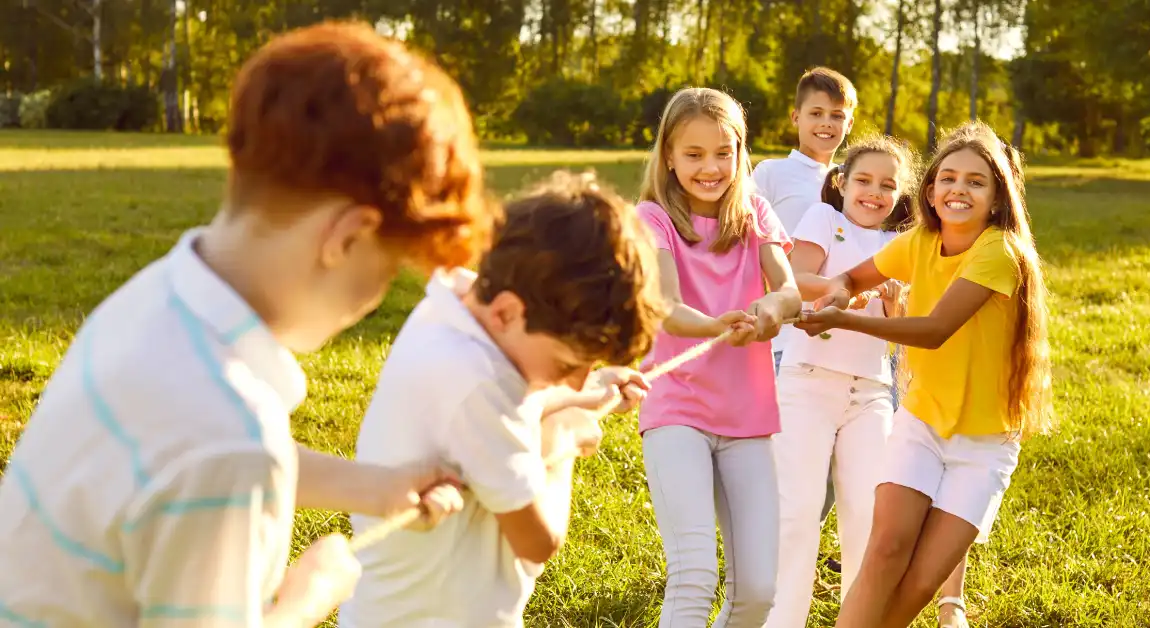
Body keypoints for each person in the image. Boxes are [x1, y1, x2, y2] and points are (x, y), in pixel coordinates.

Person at [0, 21, 491, 627]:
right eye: (388, 270)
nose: (377, 295)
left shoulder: (159, 298)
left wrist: (374, 488)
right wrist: (307, 599)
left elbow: (191, 453)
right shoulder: (230, 441)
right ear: (347, 236)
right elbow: (223, 454)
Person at [338, 171, 668, 627]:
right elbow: (539, 541)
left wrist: (584, 394)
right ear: (508, 312)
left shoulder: (452, 311)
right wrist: (566, 437)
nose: (574, 382)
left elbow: (518, 399)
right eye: (567, 363)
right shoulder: (479, 385)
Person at [794, 122, 1053, 628]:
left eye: (976, 181)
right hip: (921, 424)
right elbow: (852, 276)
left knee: (918, 582)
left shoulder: (999, 252)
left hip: (985, 444)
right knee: (885, 550)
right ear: (930, 191)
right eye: (949, 178)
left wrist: (840, 317)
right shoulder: (919, 242)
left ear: (998, 195)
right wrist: (843, 291)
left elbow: (935, 330)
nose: (959, 189)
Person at [636, 86, 803, 627]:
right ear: (668, 156)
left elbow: (789, 290)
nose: (710, 167)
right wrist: (715, 325)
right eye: (693, 154)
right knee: (694, 577)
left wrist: (771, 308)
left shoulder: (755, 213)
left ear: (740, 151)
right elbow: (663, 305)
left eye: (722, 153)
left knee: (756, 590)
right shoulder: (652, 217)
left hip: (747, 415)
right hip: (677, 409)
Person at [765, 134, 917, 628]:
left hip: (871, 394)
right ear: (842, 182)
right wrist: (841, 288)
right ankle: (783, 620)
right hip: (806, 381)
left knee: (867, 519)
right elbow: (795, 279)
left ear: (900, 195)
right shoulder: (823, 219)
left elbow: (906, 329)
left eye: (887, 186)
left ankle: (857, 620)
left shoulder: (902, 245)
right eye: (864, 181)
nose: (874, 193)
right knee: (798, 512)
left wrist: (896, 303)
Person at [752, 67, 857, 564]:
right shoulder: (773, 172)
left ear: (849, 123)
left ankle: (797, 542)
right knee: (789, 450)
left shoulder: (853, 182)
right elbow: (747, 231)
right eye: (815, 113)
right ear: (795, 116)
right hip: (782, 336)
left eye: (837, 116)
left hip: (840, 336)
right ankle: (770, 548)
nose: (825, 124)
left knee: (841, 453)